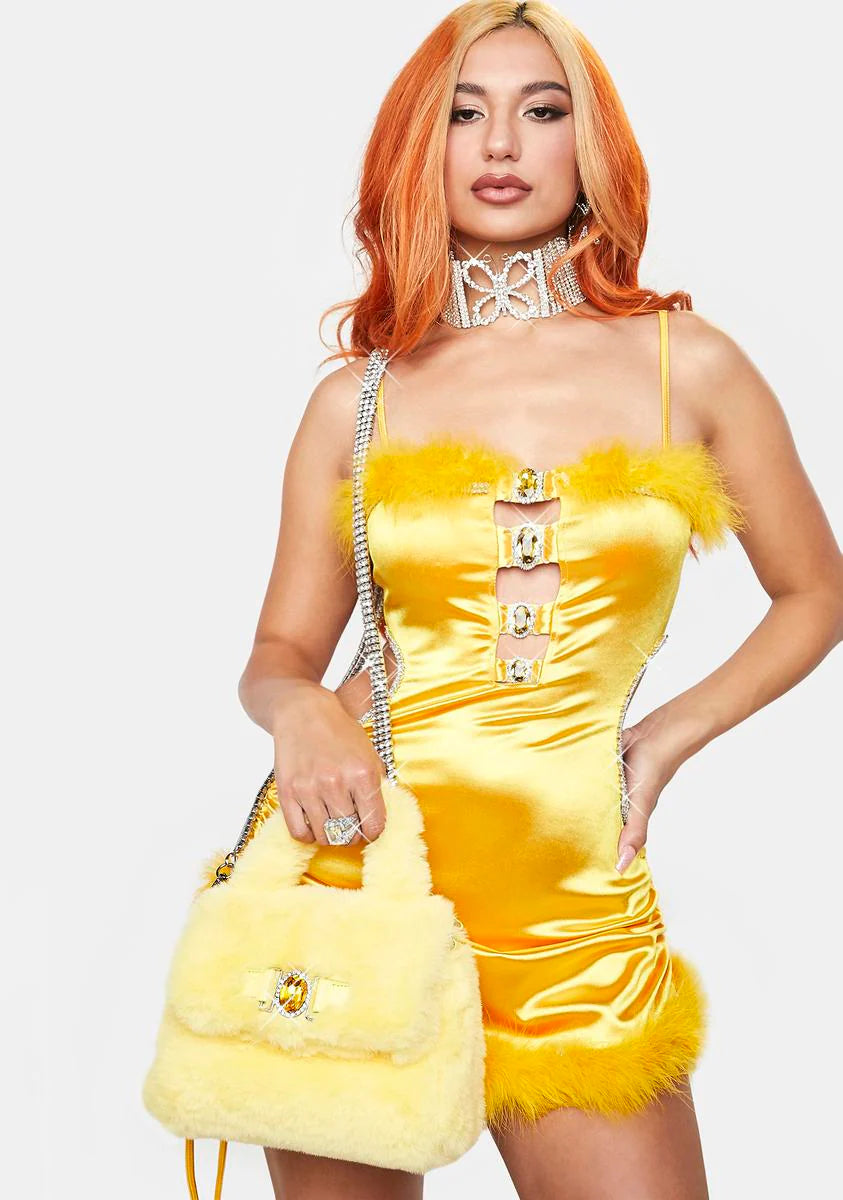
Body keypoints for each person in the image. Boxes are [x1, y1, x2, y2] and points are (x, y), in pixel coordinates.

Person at [238, 4, 843, 1198]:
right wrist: (299, 711)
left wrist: (664, 738)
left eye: (542, 109)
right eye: (464, 113)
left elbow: (814, 591)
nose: (502, 143)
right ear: (420, 147)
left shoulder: (688, 366)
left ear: (590, 144)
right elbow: (279, 650)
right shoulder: (357, 398)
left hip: (576, 911)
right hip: (353, 879)